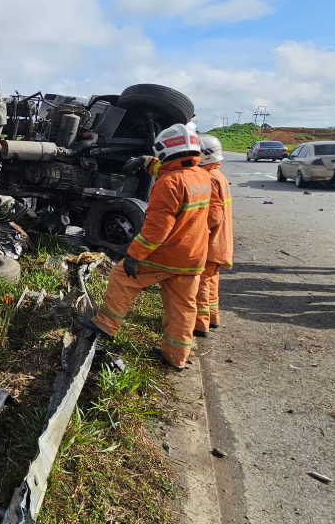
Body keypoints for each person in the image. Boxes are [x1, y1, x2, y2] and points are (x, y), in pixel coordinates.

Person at [78, 123, 212, 370]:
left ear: (167, 149)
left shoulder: (168, 183)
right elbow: (174, 168)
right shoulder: (202, 177)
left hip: (167, 254)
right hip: (194, 257)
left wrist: (133, 255)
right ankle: (176, 357)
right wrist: (145, 161)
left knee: (121, 276)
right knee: (182, 307)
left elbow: (156, 230)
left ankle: (106, 326)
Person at [195, 134, 233, 333]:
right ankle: (212, 317)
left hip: (211, 242)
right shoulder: (219, 175)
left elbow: (213, 216)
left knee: (200, 281)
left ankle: (200, 324)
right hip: (220, 242)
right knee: (211, 280)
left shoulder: (208, 178)